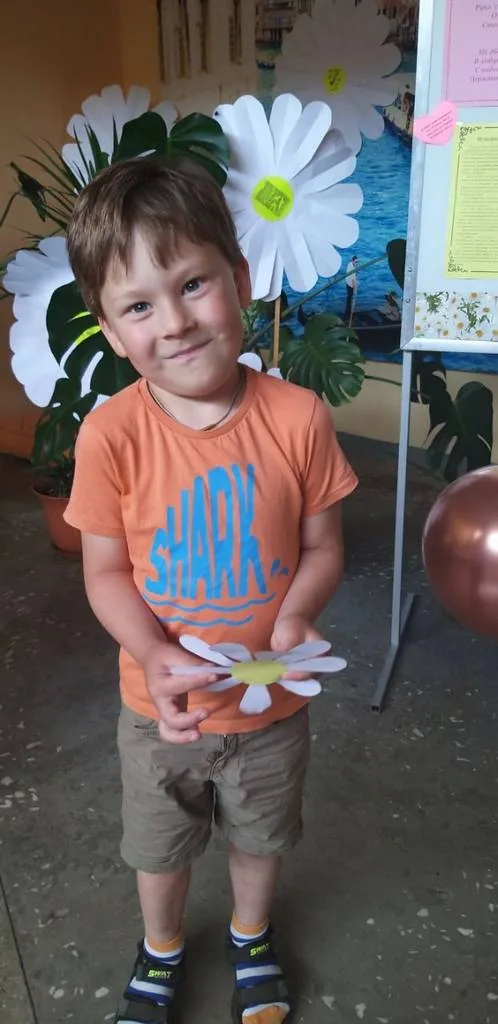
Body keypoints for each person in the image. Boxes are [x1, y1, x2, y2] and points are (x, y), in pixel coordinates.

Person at [64, 155, 358, 1024]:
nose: (176, 322)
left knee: (262, 835)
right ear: (110, 331)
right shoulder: (111, 436)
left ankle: (251, 936)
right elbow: (105, 570)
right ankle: (161, 948)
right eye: (139, 306)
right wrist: (151, 653)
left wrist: (297, 613)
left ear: (239, 277)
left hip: (271, 707)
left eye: (193, 283)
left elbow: (322, 546)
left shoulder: (298, 418)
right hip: (161, 712)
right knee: (159, 846)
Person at [344, 255, 359, 322]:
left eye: (357, 262)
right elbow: (352, 278)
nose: (356, 263)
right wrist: (355, 287)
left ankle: (348, 312)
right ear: (352, 261)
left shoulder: (351, 264)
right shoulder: (351, 266)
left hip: (349, 283)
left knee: (349, 298)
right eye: (355, 262)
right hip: (350, 284)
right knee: (349, 298)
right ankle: (348, 313)